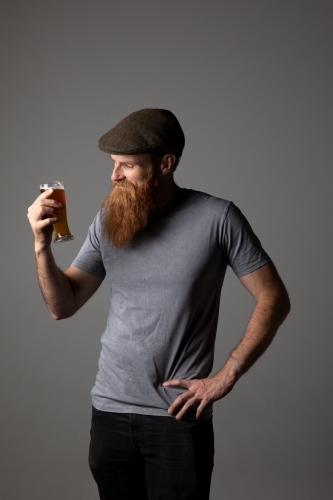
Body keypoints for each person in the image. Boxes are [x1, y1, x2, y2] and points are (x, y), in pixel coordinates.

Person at [27, 108, 290, 500]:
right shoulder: (108, 220)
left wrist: (226, 376)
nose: (114, 176)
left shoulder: (218, 217)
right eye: (114, 164)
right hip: (110, 413)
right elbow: (62, 305)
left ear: (166, 164)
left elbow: (274, 297)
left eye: (127, 166)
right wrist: (41, 246)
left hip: (177, 418)